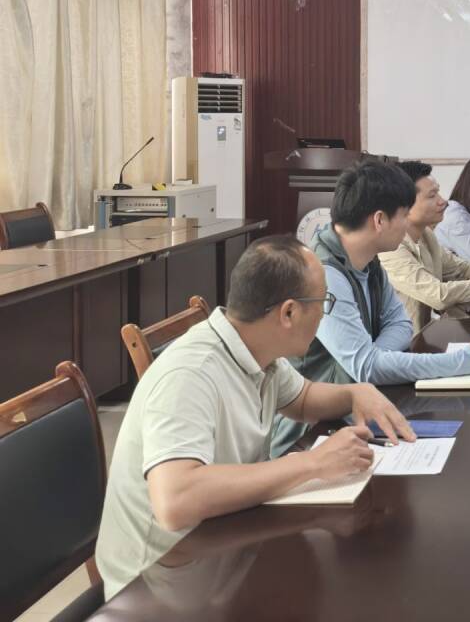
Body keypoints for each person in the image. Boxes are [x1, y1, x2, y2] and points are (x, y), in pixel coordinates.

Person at [95, 235, 415, 600]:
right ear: (288, 313)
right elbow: (175, 501)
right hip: (162, 583)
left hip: (223, 544)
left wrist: (354, 393)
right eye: (323, 302)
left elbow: (303, 399)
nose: (324, 313)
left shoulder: (257, 348)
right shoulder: (190, 374)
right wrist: (312, 463)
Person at [271, 159, 470, 454]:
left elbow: (401, 326)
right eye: (404, 215)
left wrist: (374, 359)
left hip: (358, 413)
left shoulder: (369, 260)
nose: (407, 224)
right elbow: (367, 367)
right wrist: (467, 361)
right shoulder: (325, 274)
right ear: (380, 220)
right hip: (310, 437)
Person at [380, 161, 470, 333]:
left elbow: (460, 268)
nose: (443, 201)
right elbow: (437, 295)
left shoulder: (426, 235)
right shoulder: (391, 248)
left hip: (427, 335)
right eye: (432, 196)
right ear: (405, 204)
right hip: (406, 344)